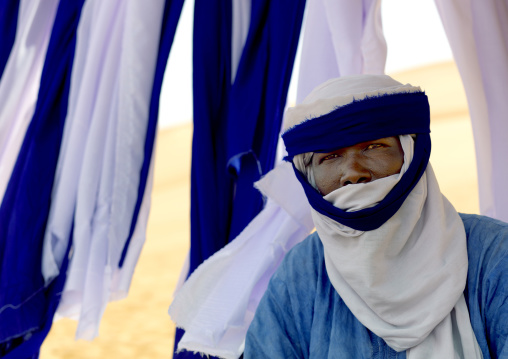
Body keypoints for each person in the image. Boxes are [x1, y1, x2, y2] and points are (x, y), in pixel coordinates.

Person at [244, 75, 508, 358]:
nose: (353, 172)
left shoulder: (493, 253)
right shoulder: (300, 275)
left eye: (373, 147)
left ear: (410, 153)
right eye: (330, 157)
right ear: (310, 176)